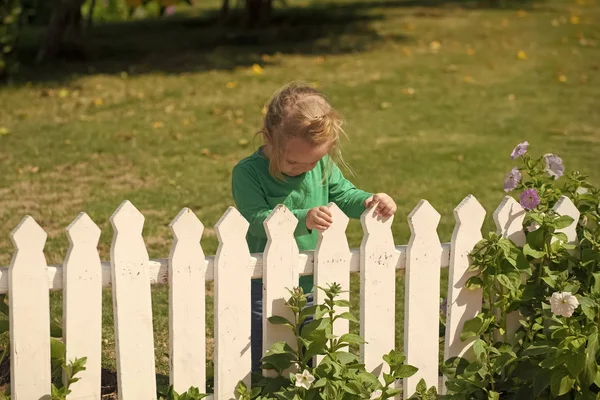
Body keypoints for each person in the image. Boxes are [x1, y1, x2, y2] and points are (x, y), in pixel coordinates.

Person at [231, 81, 397, 373]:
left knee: (313, 353)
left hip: (313, 280)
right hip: (264, 279)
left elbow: (345, 195)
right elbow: (256, 220)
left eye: (314, 161)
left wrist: (370, 201)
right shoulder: (248, 173)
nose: (304, 169)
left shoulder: (318, 166)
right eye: (294, 161)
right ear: (268, 137)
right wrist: (301, 217)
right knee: (264, 354)